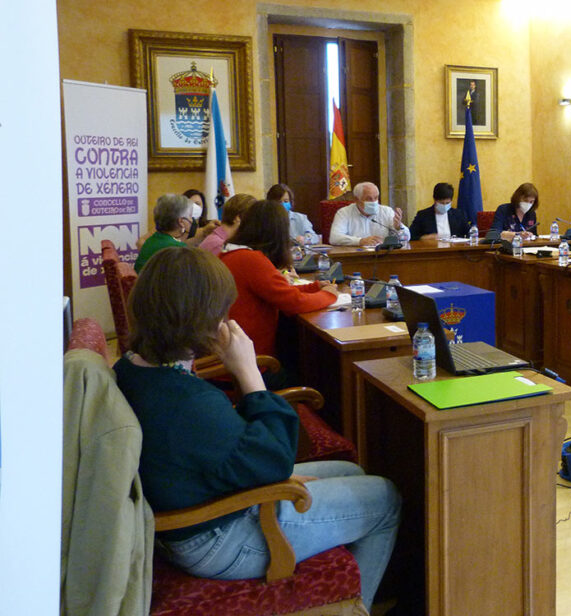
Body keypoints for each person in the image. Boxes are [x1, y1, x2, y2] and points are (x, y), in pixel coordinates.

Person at [114, 246, 399, 602]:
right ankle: (358, 606)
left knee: (350, 472)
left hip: (197, 504)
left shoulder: (134, 368)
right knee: (386, 496)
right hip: (218, 540)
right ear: (203, 316)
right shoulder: (189, 402)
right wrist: (248, 371)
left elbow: (230, 453)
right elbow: (275, 461)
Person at [220, 201, 338, 368]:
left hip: (236, 356)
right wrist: (329, 295)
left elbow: (275, 290)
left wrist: (314, 287)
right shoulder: (250, 260)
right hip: (251, 366)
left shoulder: (234, 253)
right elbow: (294, 303)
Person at [135, 194, 214, 272]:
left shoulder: (152, 240)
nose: (192, 220)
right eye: (190, 216)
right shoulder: (178, 250)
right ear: (181, 222)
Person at [329, 181, 410, 246]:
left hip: (383, 257)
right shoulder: (344, 213)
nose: (373, 202)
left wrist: (398, 228)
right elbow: (334, 238)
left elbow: (407, 238)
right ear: (357, 200)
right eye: (369, 199)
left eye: (376, 198)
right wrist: (360, 241)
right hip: (355, 258)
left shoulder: (386, 211)